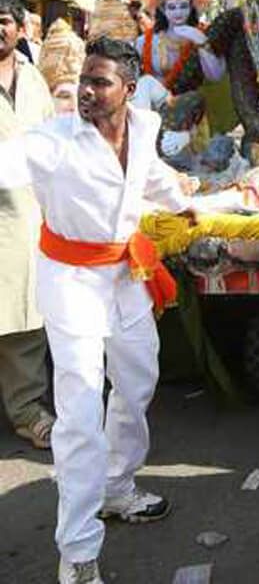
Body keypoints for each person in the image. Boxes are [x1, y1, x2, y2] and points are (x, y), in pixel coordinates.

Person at [0, 36, 197, 584]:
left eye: (100, 82)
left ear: (128, 90)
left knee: (138, 382)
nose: (86, 91)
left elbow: (148, 176)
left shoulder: (144, 127)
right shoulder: (53, 141)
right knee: (81, 409)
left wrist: (186, 203)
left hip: (125, 276)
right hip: (70, 283)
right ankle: (78, 552)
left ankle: (117, 488)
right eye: (84, 80)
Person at [0, 0, 55, 450]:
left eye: (4, 20)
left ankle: (27, 410)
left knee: (25, 317)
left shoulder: (34, 80)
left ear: (19, 28)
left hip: (30, 215)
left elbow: (53, 138)